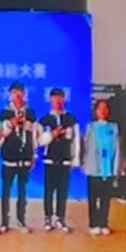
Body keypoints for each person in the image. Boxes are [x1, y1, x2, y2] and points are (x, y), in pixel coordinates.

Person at [0, 82, 38, 234]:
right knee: (6, 192)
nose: (18, 96)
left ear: (24, 94)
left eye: (20, 92)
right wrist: (10, 123)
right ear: (10, 95)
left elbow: (34, 135)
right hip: (8, 158)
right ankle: (4, 221)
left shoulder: (30, 113)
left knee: (22, 192)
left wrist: (34, 155)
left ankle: (21, 220)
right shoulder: (4, 113)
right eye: (14, 93)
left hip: (25, 158)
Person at [39, 87, 80, 233]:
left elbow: (76, 141)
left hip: (65, 161)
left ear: (64, 99)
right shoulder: (45, 120)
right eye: (54, 98)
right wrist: (52, 134)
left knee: (63, 191)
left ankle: (60, 218)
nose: (57, 101)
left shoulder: (71, 119)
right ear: (50, 100)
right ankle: (48, 218)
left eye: (60, 98)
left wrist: (75, 160)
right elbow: (40, 141)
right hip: (50, 161)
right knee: (49, 191)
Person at [82, 99, 124, 236]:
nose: (103, 111)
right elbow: (85, 147)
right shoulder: (90, 127)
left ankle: (104, 223)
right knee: (93, 198)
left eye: (105, 108)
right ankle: (93, 223)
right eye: (100, 108)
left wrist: (118, 166)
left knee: (106, 198)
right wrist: (83, 163)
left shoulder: (114, 127)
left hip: (109, 168)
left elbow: (118, 148)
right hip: (94, 167)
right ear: (96, 111)